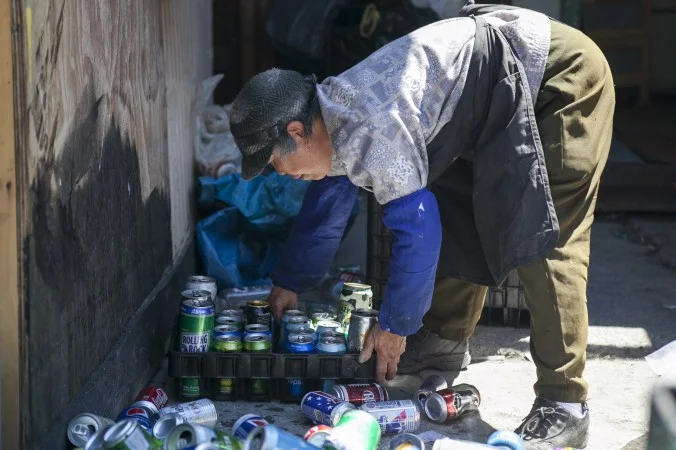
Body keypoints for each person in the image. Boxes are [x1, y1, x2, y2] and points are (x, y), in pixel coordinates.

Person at [228, 2, 614, 449]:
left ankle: (564, 403)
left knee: (545, 235)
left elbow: (418, 231)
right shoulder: (331, 115)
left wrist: (394, 326)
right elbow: (330, 196)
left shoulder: (373, 128)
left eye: (275, 161)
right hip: (494, 94)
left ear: (296, 131)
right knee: (461, 209)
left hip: (556, 77)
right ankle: (444, 342)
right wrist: (290, 281)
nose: (279, 173)